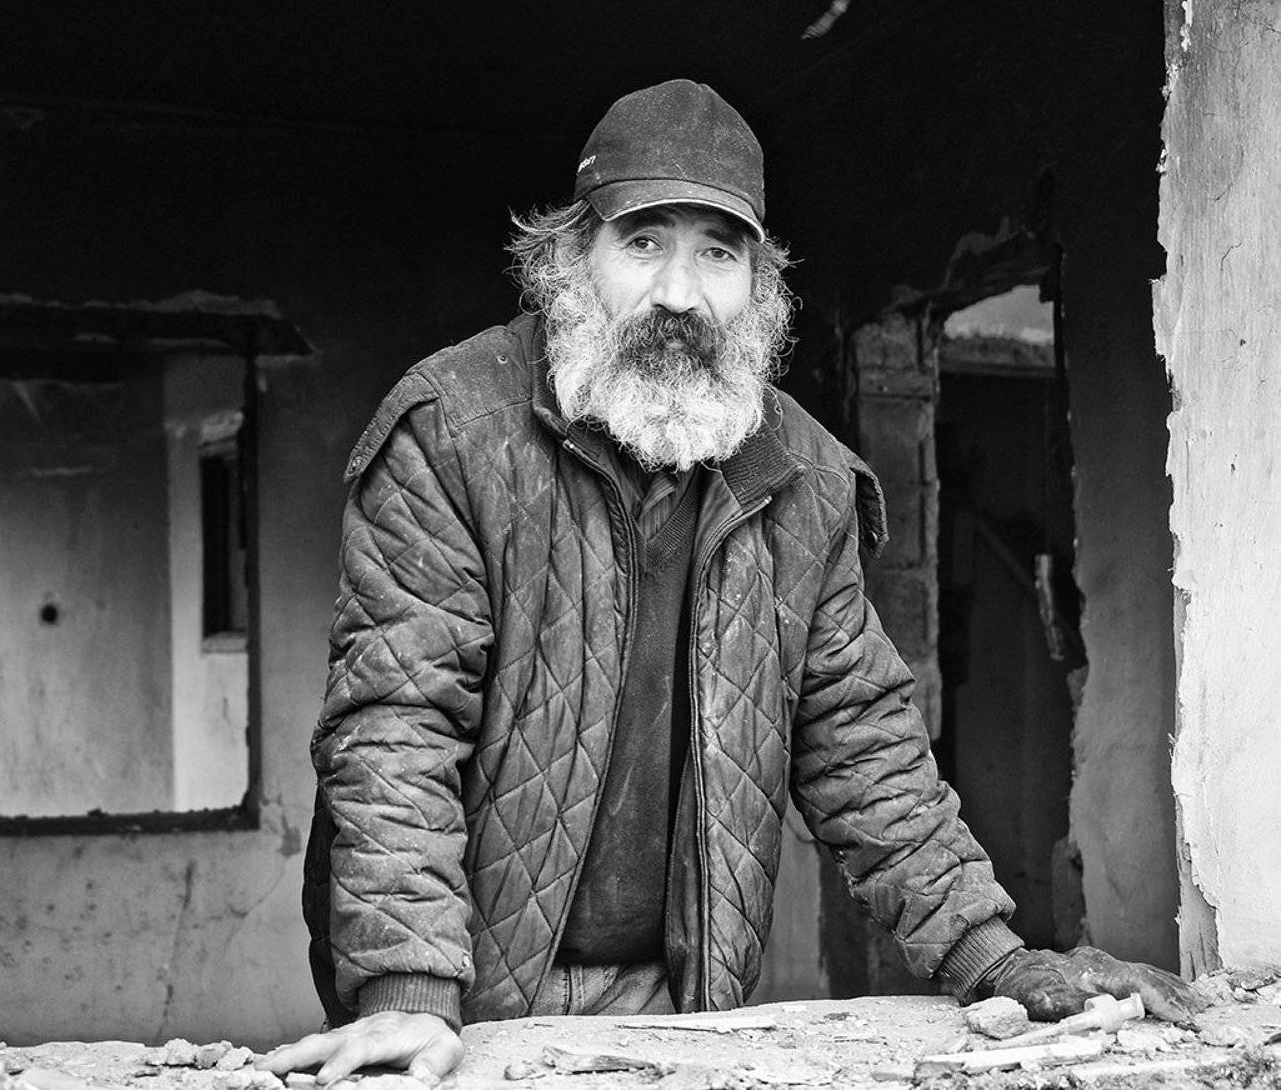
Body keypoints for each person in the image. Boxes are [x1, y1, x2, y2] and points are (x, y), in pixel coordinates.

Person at [262, 79, 1203, 1086]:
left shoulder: (808, 477)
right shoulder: (452, 430)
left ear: (759, 281)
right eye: (643, 241)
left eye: (718, 252)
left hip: (687, 1006)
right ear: (571, 257)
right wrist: (408, 989)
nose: (679, 293)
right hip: (458, 1003)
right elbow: (398, 724)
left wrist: (994, 958)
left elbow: (862, 744)